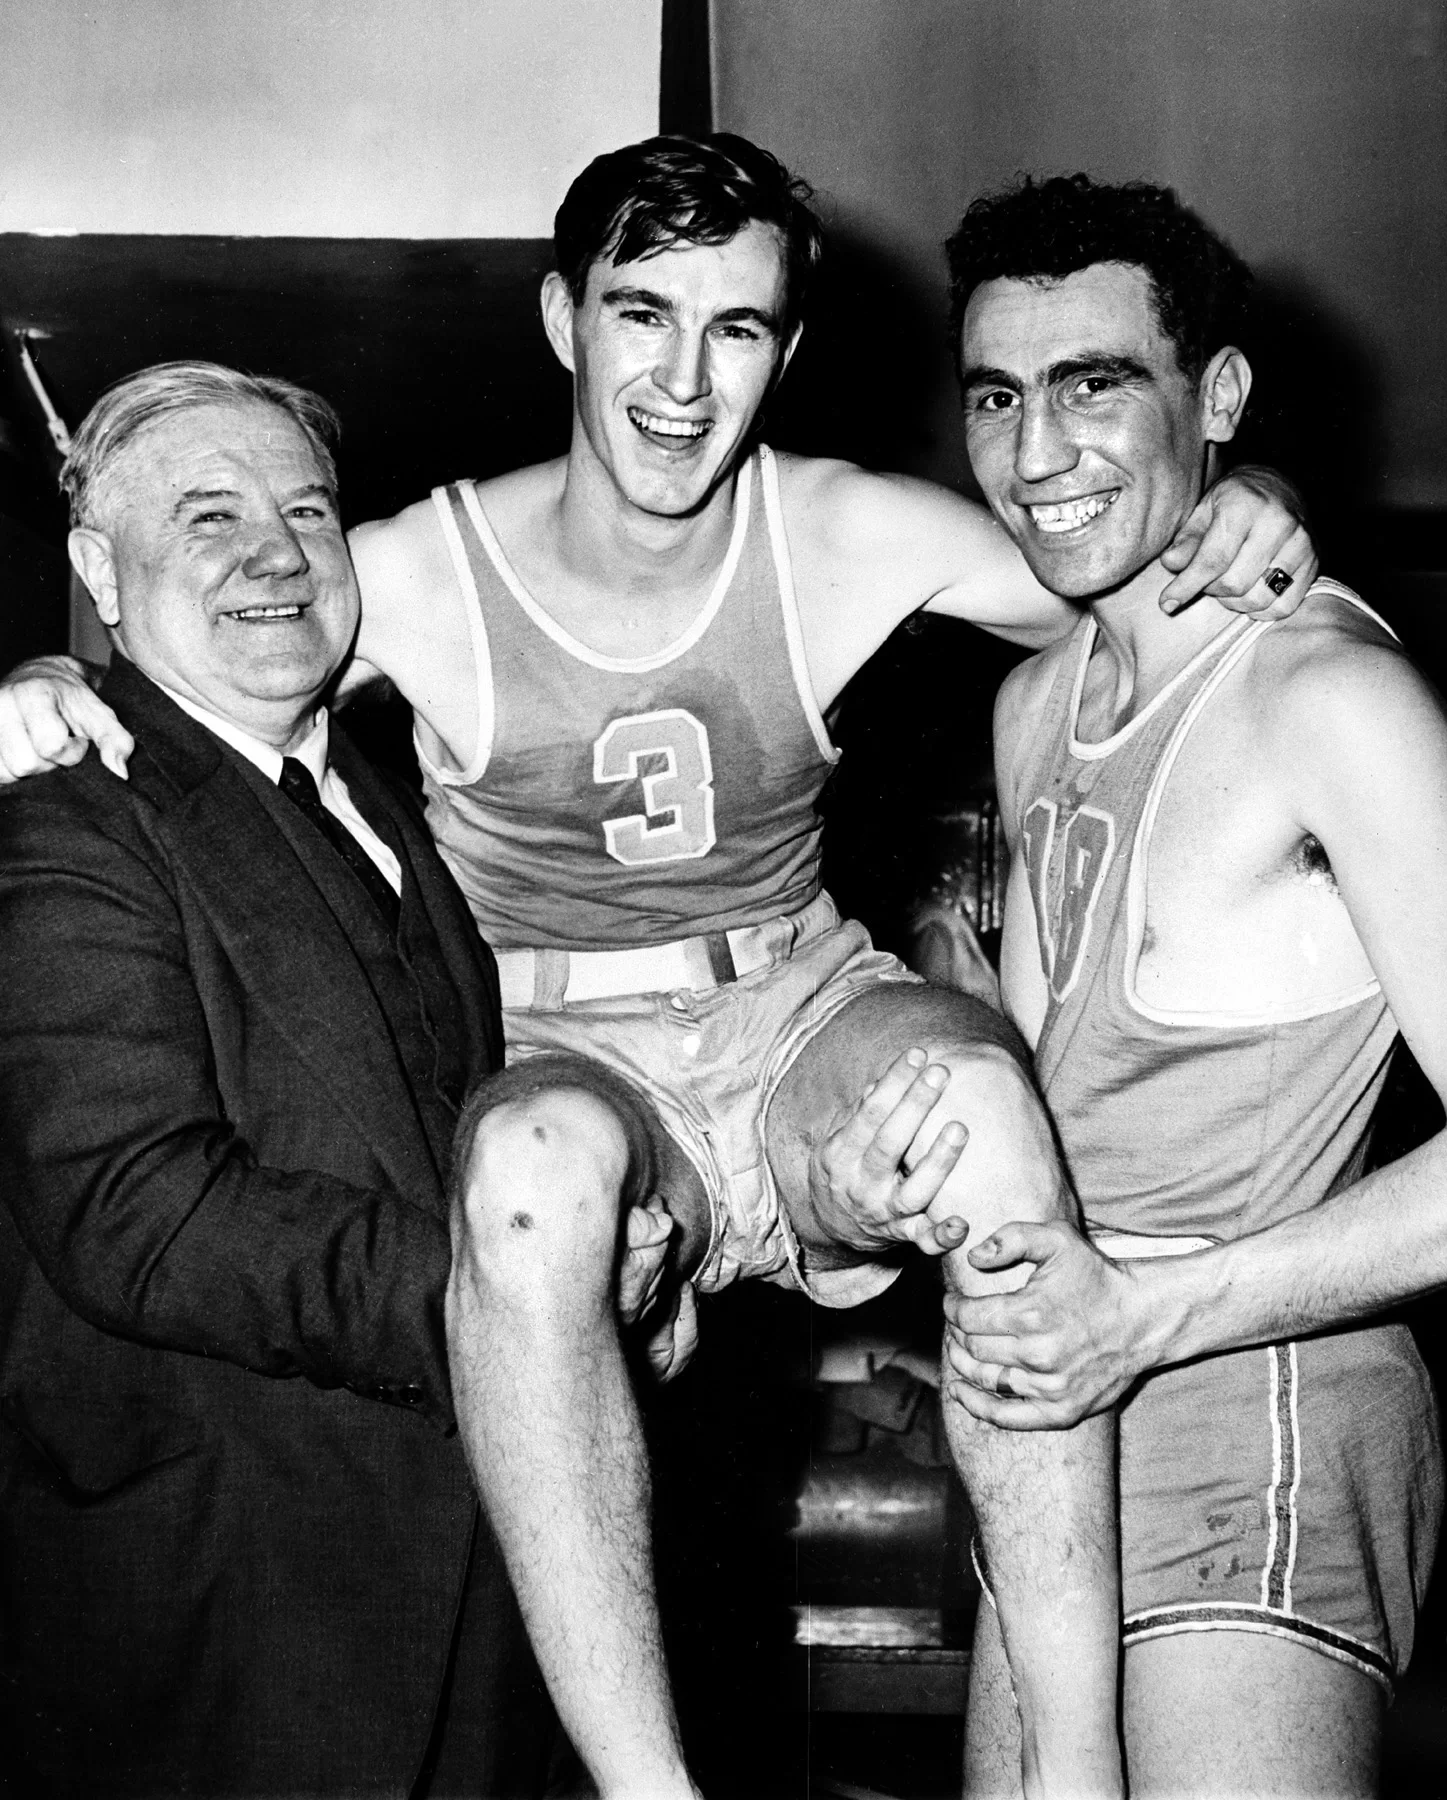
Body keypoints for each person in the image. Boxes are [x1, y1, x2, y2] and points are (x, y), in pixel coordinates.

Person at [0, 137, 1316, 1800]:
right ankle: (645, 1789)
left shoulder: (842, 531)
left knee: (982, 1113)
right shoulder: (401, 571)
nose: (684, 383)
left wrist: (1238, 498)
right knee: (533, 1184)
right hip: (579, 1059)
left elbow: (1103, 570)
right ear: (563, 321)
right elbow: (195, 651)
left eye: (739, 330)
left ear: (789, 348)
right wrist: (42, 671)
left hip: (795, 1014)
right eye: (642, 315)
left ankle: (1069, 1765)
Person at [938, 174, 1445, 1797]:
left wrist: (1141, 1317)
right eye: (996, 398)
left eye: (1094, 387)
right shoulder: (1029, 703)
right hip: (1047, 1435)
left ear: (1214, 398)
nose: (1035, 456)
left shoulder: (1330, 696)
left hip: (1261, 1409)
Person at [0, 363, 573, 1798]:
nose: (276, 552)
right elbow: (143, 1212)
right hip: (232, 1626)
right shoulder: (64, 819)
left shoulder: (381, 793)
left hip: (462, 1595)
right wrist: (515, 1289)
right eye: (207, 518)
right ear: (98, 573)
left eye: (308, 511)